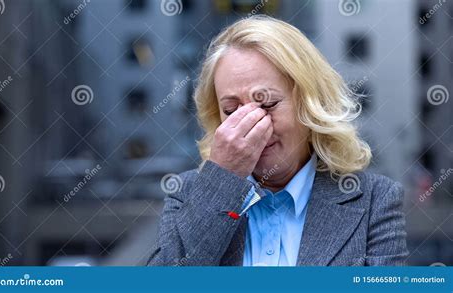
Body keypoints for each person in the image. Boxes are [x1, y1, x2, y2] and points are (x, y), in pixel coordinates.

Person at [147, 15, 408, 266]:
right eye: (231, 110)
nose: (252, 125)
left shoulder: (376, 200)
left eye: (268, 103)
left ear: (309, 103)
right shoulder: (186, 194)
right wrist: (223, 181)